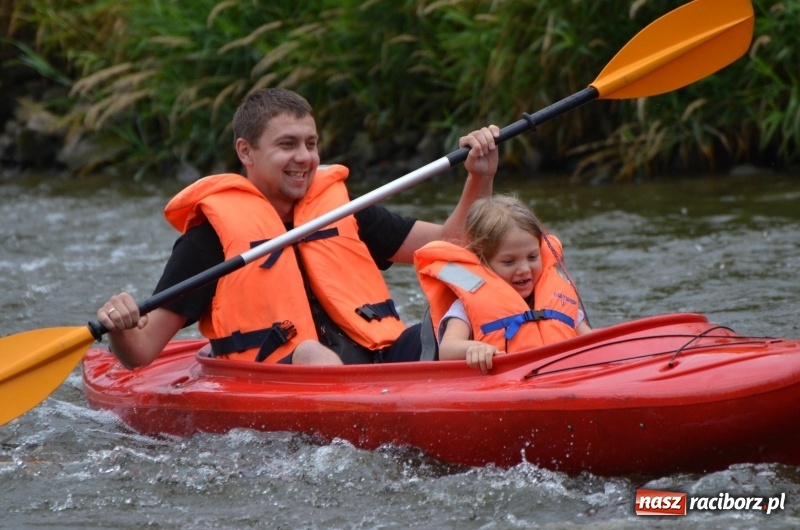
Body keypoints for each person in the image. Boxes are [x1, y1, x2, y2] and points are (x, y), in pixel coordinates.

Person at [97, 87, 499, 368]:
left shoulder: (342, 210)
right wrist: (119, 326)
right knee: (311, 352)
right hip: (287, 376)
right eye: (287, 144)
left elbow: (455, 243)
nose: (305, 157)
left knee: (455, 319)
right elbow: (142, 352)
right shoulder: (209, 239)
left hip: (377, 360)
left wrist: (479, 175)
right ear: (246, 151)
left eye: (311, 143)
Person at [414, 194, 593, 374]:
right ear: (483, 262)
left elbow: (592, 341)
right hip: (503, 383)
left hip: (560, 378)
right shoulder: (466, 306)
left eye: (532, 257)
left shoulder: (559, 300)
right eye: (509, 262)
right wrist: (475, 348)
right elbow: (447, 349)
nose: (524, 269)